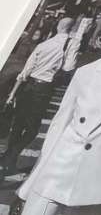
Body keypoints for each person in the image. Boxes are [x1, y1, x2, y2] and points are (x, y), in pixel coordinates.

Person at [16, 4, 101, 215]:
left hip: (100, 177)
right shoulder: (84, 72)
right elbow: (59, 124)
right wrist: (38, 170)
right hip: (60, 165)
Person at [1, 17, 75, 177]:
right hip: (44, 89)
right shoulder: (70, 43)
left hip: (27, 86)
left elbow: (25, 72)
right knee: (33, 129)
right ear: (71, 28)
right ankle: (10, 156)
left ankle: (9, 162)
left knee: (18, 124)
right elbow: (69, 68)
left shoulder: (43, 45)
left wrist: (12, 94)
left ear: (58, 26)